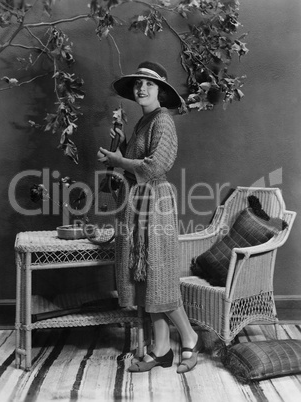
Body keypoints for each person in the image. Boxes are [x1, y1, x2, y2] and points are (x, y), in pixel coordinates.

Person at [97, 61, 203, 373]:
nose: (141, 89)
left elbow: (156, 166)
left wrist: (120, 159)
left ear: (160, 91)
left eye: (149, 85)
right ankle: (167, 346)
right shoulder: (142, 123)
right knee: (147, 277)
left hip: (156, 203)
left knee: (157, 274)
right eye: (137, 85)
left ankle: (184, 339)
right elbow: (131, 166)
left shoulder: (163, 121)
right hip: (139, 204)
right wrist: (119, 150)